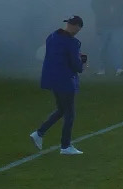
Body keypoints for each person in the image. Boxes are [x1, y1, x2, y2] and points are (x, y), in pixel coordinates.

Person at [29, 15, 88, 155]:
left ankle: (39, 133)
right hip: (65, 79)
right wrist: (82, 62)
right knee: (70, 113)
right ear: (77, 27)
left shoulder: (52, 36)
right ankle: (65, 146)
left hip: (52, 78)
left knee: (61, 109)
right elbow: (76, 66)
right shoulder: (72, 43)